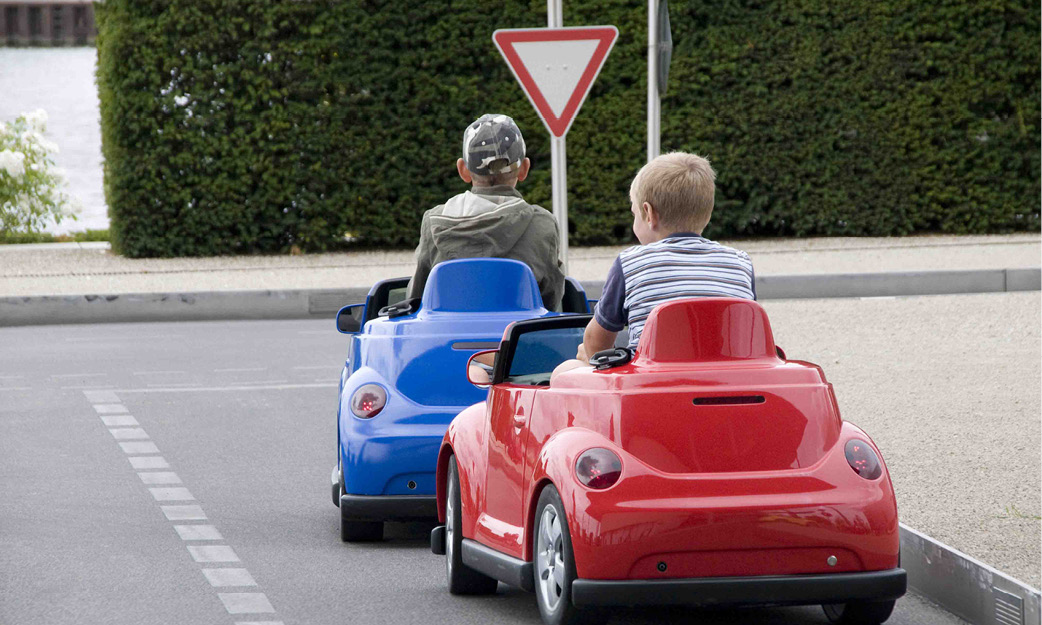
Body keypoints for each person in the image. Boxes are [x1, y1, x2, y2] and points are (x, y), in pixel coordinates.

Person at [557, 152, 756, 376]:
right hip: (728, 383)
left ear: (648, 213)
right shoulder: (740, 263)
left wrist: (590, 354)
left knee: (565, 371)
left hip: (649, 389)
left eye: (634, 214)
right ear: (707, 214)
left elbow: (596, 342)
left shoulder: (631, 263)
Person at [406, 114, 565, 311]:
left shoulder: (435, 222)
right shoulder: (543, 225)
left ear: (463, 170)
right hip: (518, 339)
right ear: (524, 169)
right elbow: (551, 301)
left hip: (451, 338)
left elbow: (416, 300)